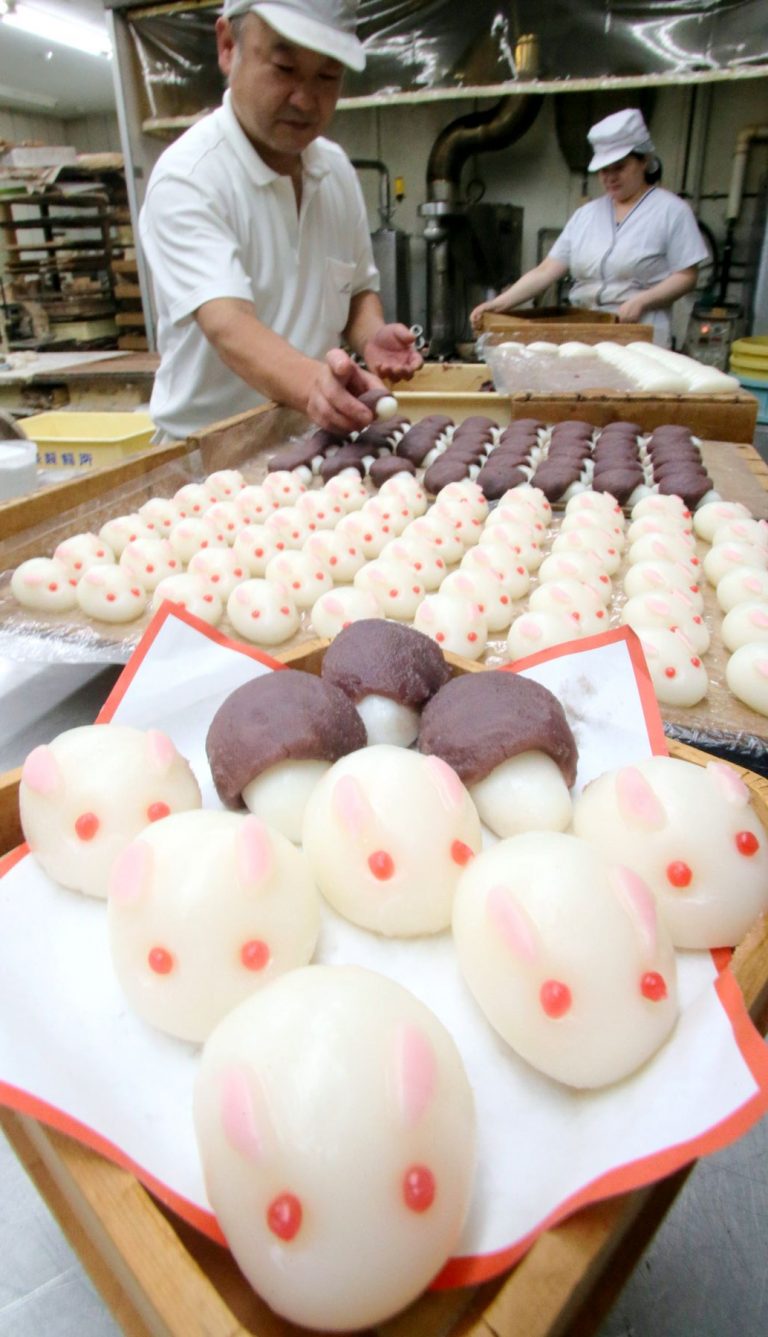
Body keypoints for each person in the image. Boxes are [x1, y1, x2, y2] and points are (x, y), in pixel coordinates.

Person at [139, 0, 421, 441]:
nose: (306, 99)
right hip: (210, 454)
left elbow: (357, 291)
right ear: (229, 46)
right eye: (284, 68)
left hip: (311, 435)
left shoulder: (335, 170)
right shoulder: (190, 177)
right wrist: (315, 385)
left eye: (327, 76)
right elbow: (228, 324)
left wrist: (371, 335)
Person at [470, 108, 708, 347]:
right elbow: (546, 271)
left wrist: (644, 301)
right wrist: (500, 304)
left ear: (644, 161)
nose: (610, 177)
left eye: (619, 167)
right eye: (604, 170)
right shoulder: (586, 215)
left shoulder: (671, 211)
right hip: (585, 331)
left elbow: (686, 276)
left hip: (640, 334)